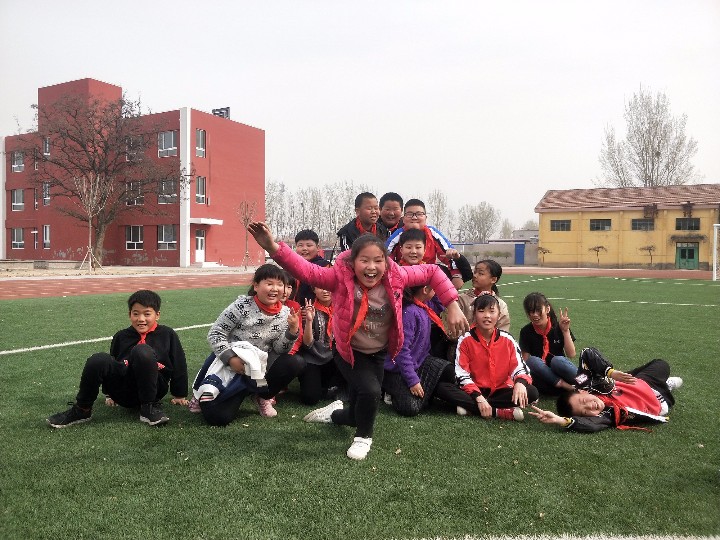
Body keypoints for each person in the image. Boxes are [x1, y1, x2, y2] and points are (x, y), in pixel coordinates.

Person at [247, 221, 470, 460]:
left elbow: (433, 272)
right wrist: (272, 247)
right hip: (348, 351)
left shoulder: (397, 275)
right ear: (353, 263)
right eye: (364, 260)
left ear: (386, 262)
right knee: (371, 392)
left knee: (356, 413)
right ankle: (363, 438)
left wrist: (452, 304)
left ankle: (334, 414)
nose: (371, 267)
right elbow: (306, 271)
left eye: (378, 260)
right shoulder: (339, 278)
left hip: (379, 352)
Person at [47, 290, 188, 428]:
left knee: (142, 351)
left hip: (154, 389)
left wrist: (179, 394)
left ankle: (149, 408)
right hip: (124, 392)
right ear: (129, 314)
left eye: (147, 314)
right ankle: (82, 410)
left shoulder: (167, 334)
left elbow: (179, 363)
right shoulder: (121, 336)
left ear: (157, 315)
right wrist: (109, 395)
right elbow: (112, 364)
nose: (141, 319)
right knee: (98, 359)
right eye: (136, 314)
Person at [188, 264, 304, 426]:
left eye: (280, 284)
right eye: (269, 283)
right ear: (256, 286)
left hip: (258, 369)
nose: (275, 289)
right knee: (218, 418)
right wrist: (231, 359)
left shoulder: (285, 313)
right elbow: (216, 333)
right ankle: (213, 393)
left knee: (295, 362)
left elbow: (280, 349)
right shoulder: (241, 306)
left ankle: (262, 396)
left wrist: (292, 331)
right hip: (233, 367)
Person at [529, 350, 682, 433]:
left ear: (582, 392)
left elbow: (587, 353)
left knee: (661, 364)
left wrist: (610, 372)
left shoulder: (585, 383)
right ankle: (665, 386)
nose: (590, 406)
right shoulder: (607, 414)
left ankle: (651, 381)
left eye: (584, 402)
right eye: (585, 412)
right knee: (661, 378)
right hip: (654, 397)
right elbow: (591, 425)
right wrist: (561, 420)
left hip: (634, 382)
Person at [382, 283, 471, 417]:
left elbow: (440, 304)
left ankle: (462, 400)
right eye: (434, 288)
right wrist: (413, 381)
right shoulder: (409, 312)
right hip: (398, 369)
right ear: (425, 290)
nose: (436, 292)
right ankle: (391, 390)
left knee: (449, 372)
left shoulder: (424, 305)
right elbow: (402, 351)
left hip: (421, 361)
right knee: (409, 407)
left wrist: (436, 281)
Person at [454, 293, 539, 421]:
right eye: (481, 311)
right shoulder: (465, 340)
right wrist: (478, 397)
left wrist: (520, 383)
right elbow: (461, 373)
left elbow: (520, 367)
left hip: (502, 390)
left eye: (492, 311)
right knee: (444, 389)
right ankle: (500, 411)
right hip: (475, 390)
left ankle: (473, 408)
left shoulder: (508, 339)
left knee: (532, 392)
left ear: (498, 315)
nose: (487, 315)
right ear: (474, 315)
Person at [386, 198, 471, 289]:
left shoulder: (433, 234)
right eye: (410, 214)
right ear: (403, 219)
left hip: (429, 277)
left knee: (445, 273)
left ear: (425, 218)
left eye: (419, 214)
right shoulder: (396, 236)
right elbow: (385, 259)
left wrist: (456, 275)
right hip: (404, 276)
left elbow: (450, 255)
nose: (414, 217)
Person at [518, 292, 576, 394]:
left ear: (547, 309)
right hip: (547, 378)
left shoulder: (559, 326)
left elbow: (571, 354)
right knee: (532, 361)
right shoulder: (526, 331)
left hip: (561, 371)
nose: (535, 315)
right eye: (531, 311)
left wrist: (565, 331)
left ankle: (586, 383)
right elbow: (525, 361)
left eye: (538, 310)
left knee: (557, 361)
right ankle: (566, 386)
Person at [296, 286, 342, 405]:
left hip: (333, 358)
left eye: (329, 287)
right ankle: (324, 388)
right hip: (312, 358)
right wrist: (309, 321)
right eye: (320, 287)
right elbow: (307, 344)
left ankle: (332, 386)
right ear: (313, 290)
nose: (325, 291)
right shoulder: (308, 310)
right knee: (310, 398)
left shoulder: (341, 308)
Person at [456, 259, 510, 333]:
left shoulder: (500, 305)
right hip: (463, 340)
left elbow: (502, 332)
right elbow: (453, 330)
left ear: (493, 279)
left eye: (480, 273)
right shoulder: (461, 299)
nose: (475, 276)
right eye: (475, 272)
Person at [293, 229, 330, 304]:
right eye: (300, 245)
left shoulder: (325, 267)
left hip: (318, 309)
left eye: (309, 245)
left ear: (318, 248)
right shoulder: (292, 267)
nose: (304, 249)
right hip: (294, 309)